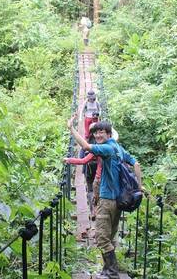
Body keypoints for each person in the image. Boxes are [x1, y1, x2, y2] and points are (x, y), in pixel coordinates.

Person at [66, 114, 142, 279]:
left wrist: (71, 128)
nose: (98, 136)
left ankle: (112, 272)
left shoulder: (107, 148)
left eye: (102, 132)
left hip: (107, 200)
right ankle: (107, 271)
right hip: (119, 201)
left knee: (101, 238)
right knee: (109, 236)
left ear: (108, 134)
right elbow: (136, 163)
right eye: (96, 133)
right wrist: (140, 186)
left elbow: (86, 147)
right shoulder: (118, 148)